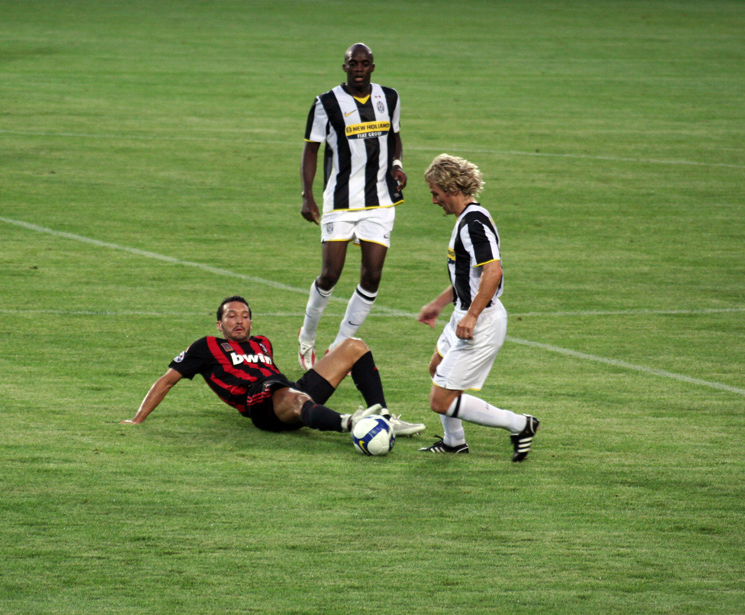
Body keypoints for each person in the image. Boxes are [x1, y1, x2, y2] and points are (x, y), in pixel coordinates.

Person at [122, 296, 425, 438]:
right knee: (289, 394)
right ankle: (351, 424)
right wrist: (138, 419)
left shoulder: (262, 343)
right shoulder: (205, 347)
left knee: (355, 346)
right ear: (219, 324)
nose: (239, 321)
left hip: (287, 392)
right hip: (258, 403)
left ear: (251, 322)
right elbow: (166, 380)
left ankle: (384, 418)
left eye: (244, 316)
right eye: (231, 316)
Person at [416, 155, 539, 460]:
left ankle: (521, 424)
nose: (434, 201)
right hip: (464, 313)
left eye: (435, 193)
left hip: (480, 320)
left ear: (452, 188)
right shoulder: (469, 219)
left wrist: (471, 315)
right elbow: (470, 274)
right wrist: (438, 304)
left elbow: (492, 272)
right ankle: (454, 442)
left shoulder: (473, 223)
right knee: (437, 369)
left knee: (441, 400)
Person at [298, 42, 406, 370]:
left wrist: (397, 164)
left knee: (372, 276)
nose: (359, 68)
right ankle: (307, 336)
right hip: (340, 201)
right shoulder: (326, 103)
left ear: (372, 67)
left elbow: (395, 136)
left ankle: (338, 346)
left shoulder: (389, 98)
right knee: (330, 274)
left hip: (380, 201)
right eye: (353, 63)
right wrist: (307, 194)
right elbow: (311, 150)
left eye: (364, 63)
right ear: (344, 67)